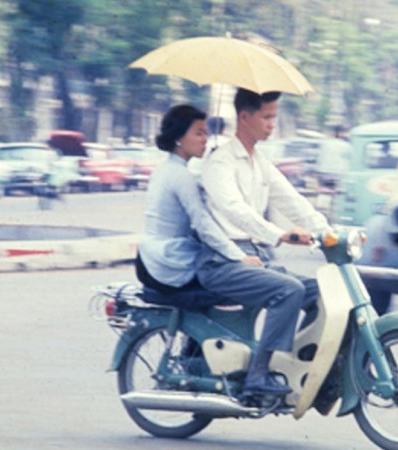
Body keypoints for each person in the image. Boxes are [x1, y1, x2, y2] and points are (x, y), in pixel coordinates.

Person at [136, 104, 301, 396]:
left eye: (206, 133)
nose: (205, 139)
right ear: (179, 138)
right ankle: (257, 373)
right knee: (261, 284)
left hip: (158, 257)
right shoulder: (180, 176)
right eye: (198, 133)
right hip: (170, 262)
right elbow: (204, 224)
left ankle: (204, 353)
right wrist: (239, 256)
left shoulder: (172, 170)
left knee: (262, 278)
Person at [199, 88, 330, 367]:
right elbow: (233, 208)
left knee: (320, 293)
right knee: (289, 290)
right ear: (245, 118)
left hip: (254, 256)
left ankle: (301, 364)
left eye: (274, 117)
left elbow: (291, 200)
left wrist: (327, 231)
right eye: (266, 117)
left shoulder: (260, 163)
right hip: (221, 261)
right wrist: (278, 234)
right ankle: (260, 373)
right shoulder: (220, 161)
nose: (272, 124)